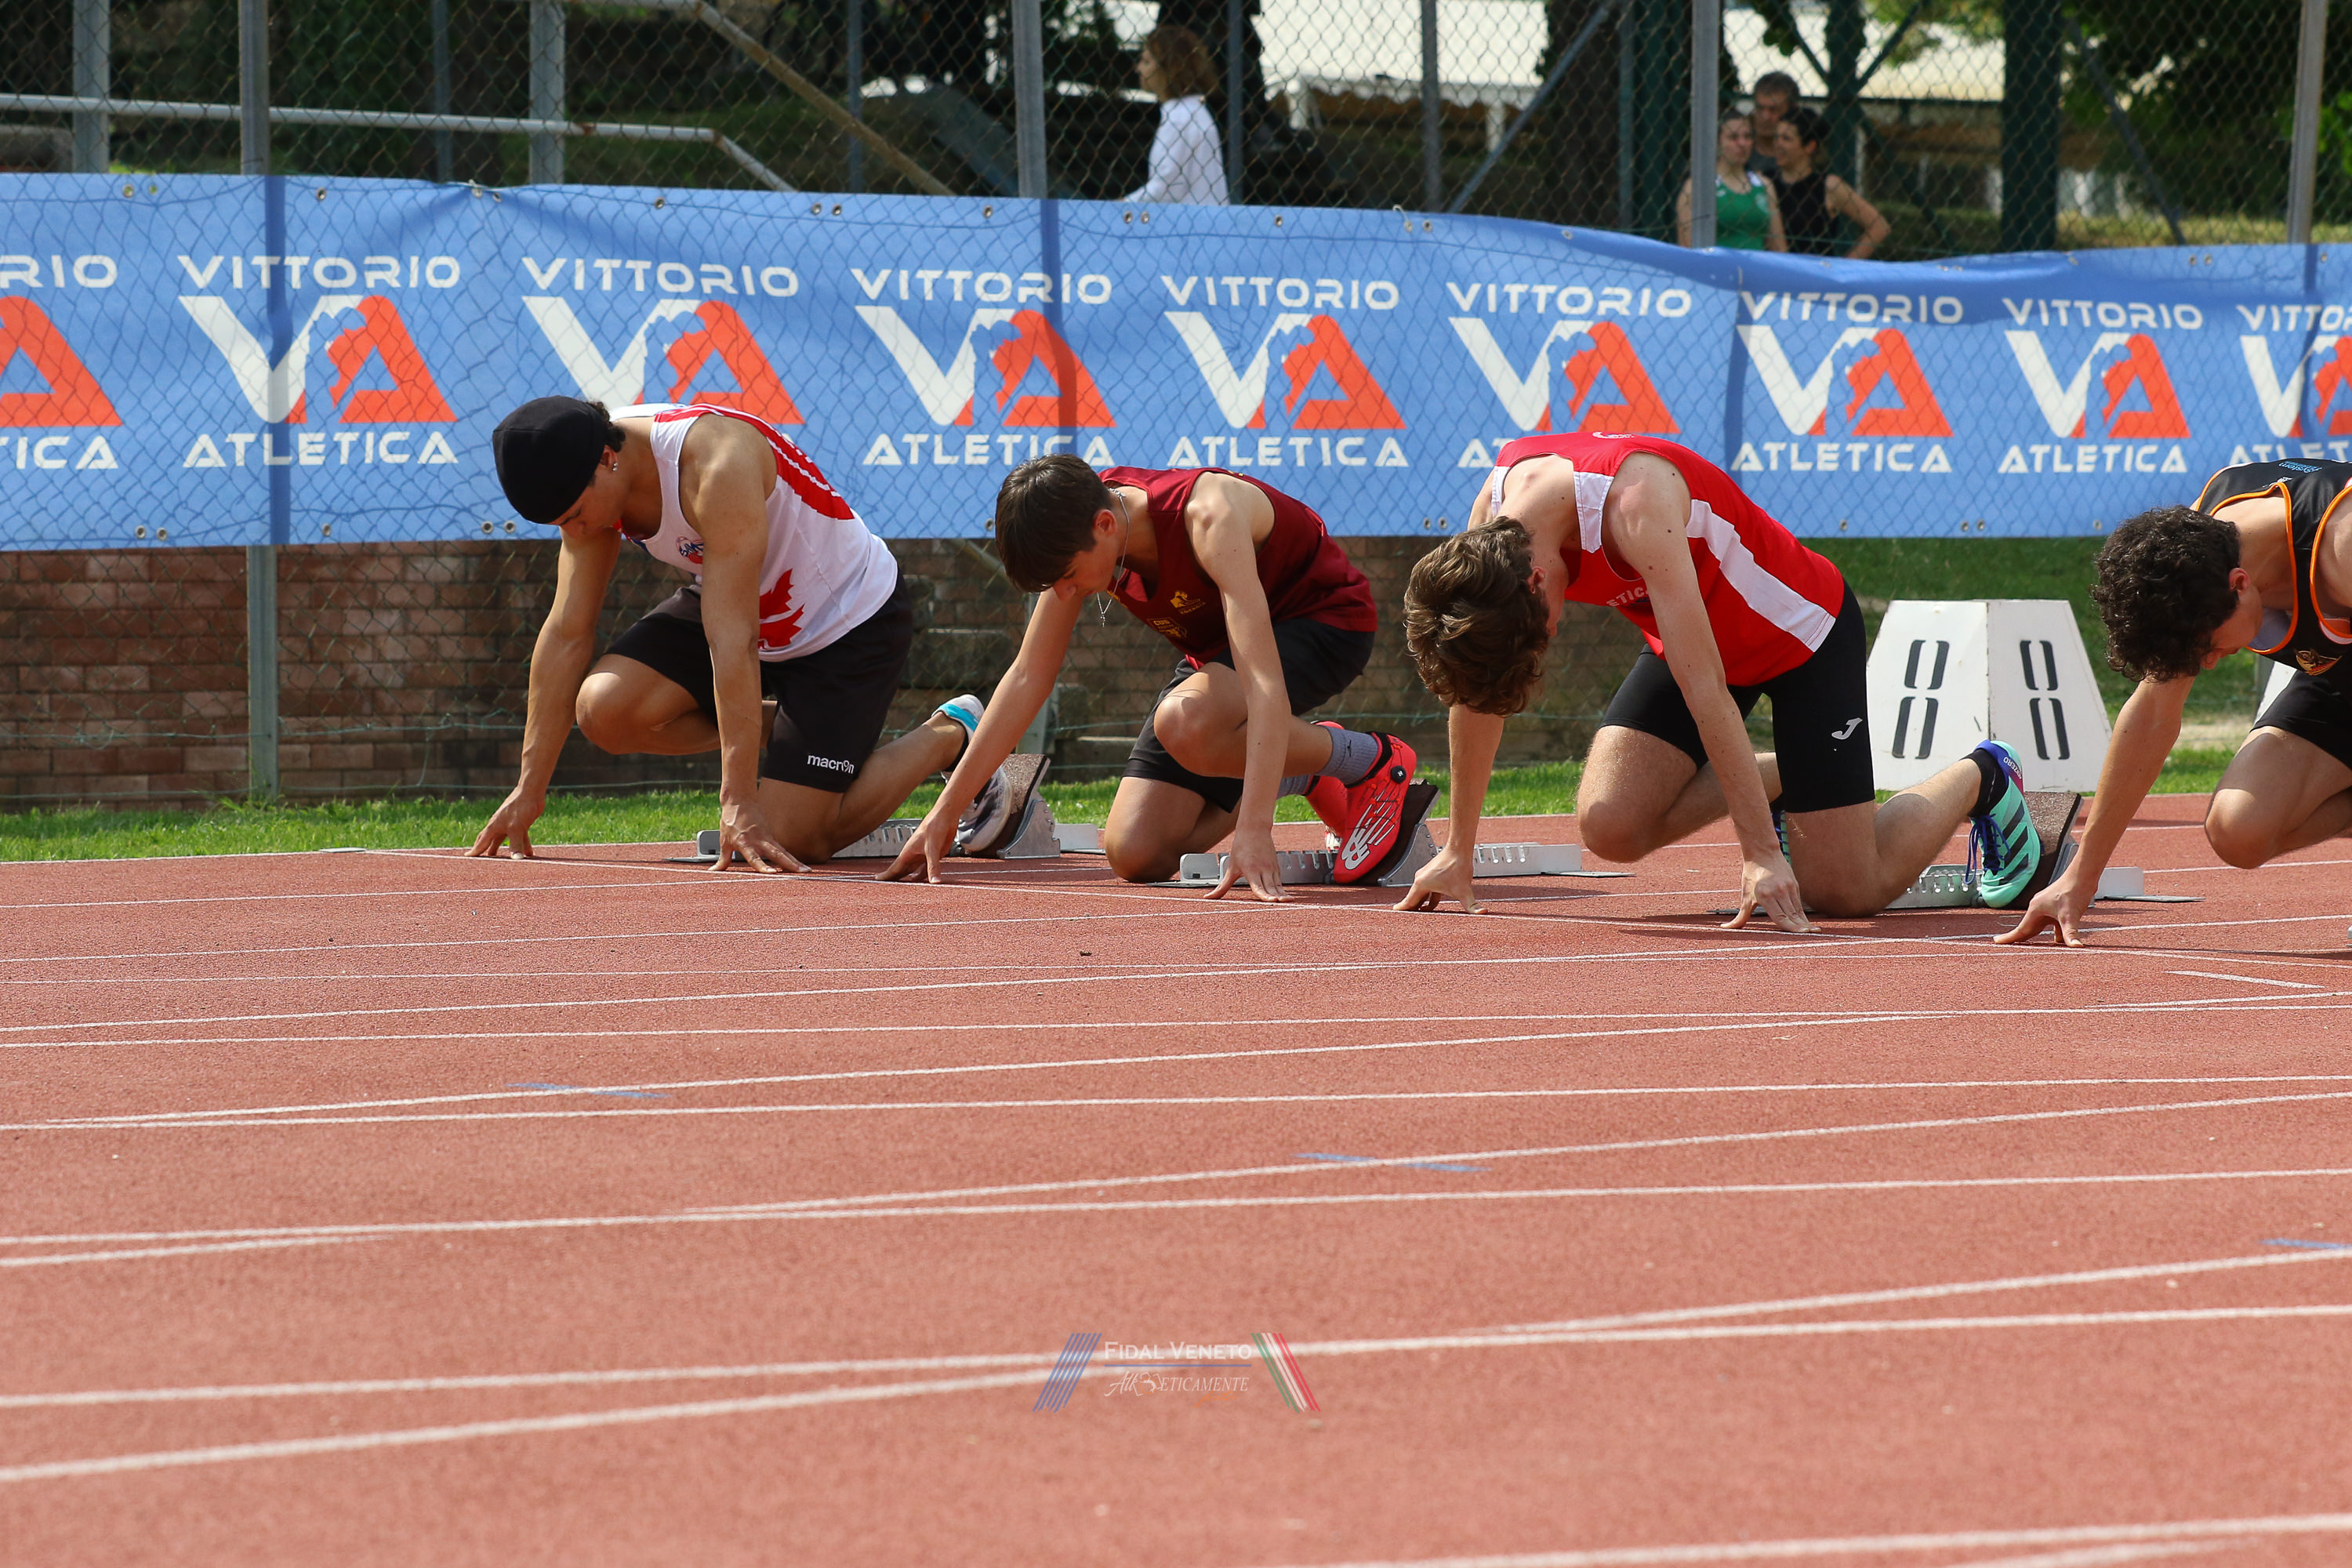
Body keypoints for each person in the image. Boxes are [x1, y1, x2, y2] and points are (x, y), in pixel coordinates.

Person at [1393, 432, 2051, 927]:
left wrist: (1760, 853)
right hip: (1694, 644)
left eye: (1542, 634)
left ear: (1535, 580)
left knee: (1846, 894)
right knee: (1610, 827)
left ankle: (1984, 774)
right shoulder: (1493, 525)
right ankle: (1789, 777)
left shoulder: (1636, 501)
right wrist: (1458, 849)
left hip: (1802, 637)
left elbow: (1705, 685)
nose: (1552, 637)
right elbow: (1477, 692)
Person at [470, 397, 997, 872]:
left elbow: (733, 639)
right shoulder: (589, 470)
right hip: (736, 595)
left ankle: (951, 734)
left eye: (575, 516)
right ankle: (784, 730)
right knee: (604, 710)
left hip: (845, 619)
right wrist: (528, 789)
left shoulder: (715, 463)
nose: (575, 531)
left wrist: (739, 799)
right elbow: (567, 632)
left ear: (608, 459)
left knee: (796, 837)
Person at [883, 456, 1419, 898]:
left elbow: (1262, 682)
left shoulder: (1209, 517)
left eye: (1066, 578)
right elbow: (1027, 677)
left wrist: (1255, 829)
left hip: (1325, 623)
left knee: (1185, 720)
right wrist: (944, 813)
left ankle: (1369, 760)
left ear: (1105, 525)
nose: (1064, 594)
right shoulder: (1080, 527)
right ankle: (1300, 771)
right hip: (1222, 659)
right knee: (1135, 853)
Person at [2002, 458, 2352, 946]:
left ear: (2241, 583)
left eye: (2206, 648)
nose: (2206, 664)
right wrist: (2081, 877)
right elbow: (2151, 717)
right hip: (2337, 672)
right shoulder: (2192, 563)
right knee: (2239, 829)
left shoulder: (2342, 547)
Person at [1772, 106, 1890, 260]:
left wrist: (1844, 266)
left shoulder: (1828, 186)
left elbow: (1879, 226)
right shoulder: (1765, 180)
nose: (1778, 144)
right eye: (1776, 137)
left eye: (1786, 139)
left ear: (1810, 146)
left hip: (1814, 271)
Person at [1127, 26, 1227, 207]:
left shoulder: (1180, 118)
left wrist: (1122, 205)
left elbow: (1167, 188)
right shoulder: (1191, 112)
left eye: (1146, 61)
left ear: (1169, 69)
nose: (1138, 69)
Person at [1678, 114, 1788, 252]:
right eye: (1733, 137)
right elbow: (1687, 247)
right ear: (1717, 142)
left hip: (1755, 265)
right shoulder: (1697, 187)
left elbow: (1779, 248)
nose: (1742, 143)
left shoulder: (1764, 186)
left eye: (1747, 137)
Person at [1748, 71, 1798, 180]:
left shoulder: (1803, 154)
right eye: (1760, 108)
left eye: (1774, 110)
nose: (1765, 117)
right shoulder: (1739, 145)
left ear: (1792, 110)